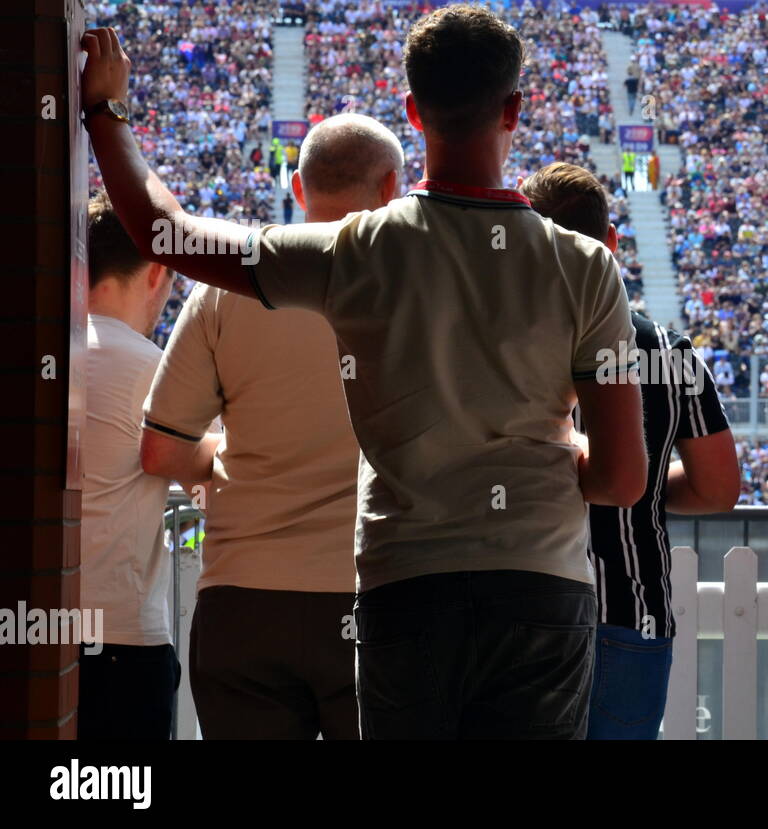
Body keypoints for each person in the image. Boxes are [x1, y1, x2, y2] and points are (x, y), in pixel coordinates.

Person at [80, 5, 647, 741]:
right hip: (540, 588)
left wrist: (105, 110)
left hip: (406, 587)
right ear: (514, 108)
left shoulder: (361, 249)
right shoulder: (586, 266)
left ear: (413, 110)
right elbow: (624, 479)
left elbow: (170, 235)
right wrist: (568, 454)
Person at [138, 114, 405, 740]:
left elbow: (160, 450)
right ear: (392, 186)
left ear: (296, 186)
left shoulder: (227, 290)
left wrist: (234, 462)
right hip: (373, 599)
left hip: (242, 596)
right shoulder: (421, 285)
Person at [519, 162, 740, 739]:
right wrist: (634, 472)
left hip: (521, 608)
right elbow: (718, 488)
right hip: (631, 609)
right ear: (611, 242)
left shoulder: (503, 347)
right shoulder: (667, 349)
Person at [79, 192, 178, 740]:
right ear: (157, 272)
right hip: (123, 639)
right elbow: (213, 482)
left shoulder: (43, 353)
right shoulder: (156, 371)